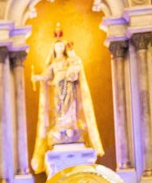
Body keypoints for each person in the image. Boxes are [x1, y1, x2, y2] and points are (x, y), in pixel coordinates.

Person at [31, 26, 103, 174]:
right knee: (60, 109)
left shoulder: (69, 60)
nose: (59, 48)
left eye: (61, 46)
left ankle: (70, 124)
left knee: (70, 107)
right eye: (57, 46)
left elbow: (77, 65)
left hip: (68, 86)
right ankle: (61, 125)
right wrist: (37, 78)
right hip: (58, 86)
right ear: (54, 48)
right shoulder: (52, 64)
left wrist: (71, 55)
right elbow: (46, 75)